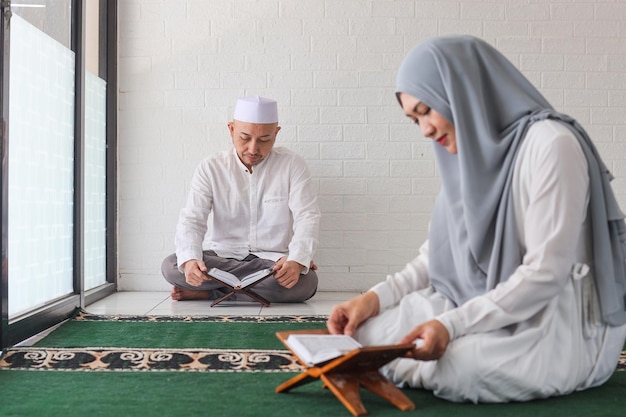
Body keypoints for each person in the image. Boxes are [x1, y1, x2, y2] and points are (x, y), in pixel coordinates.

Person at [327, 35, 626, 403]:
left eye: (426, 111)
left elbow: (545, 273)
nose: (426, 130)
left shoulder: (552, 146)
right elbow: (436, 256)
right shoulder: (467, 155)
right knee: (366, 334)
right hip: (480, 299)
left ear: (462, 91)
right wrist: (373, 299)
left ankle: (421, 362)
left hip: (557, 323)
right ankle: (420, 359)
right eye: (414, 119)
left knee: (460, 367)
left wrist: (451, 325)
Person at [162, 96, 320, 304]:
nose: (253, 149)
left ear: (276, 133)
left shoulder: (292, 165)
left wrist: (297, 261)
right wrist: (191, 261)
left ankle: (214, 292)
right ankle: (247, 290)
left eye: (265, 140)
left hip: (270, 260)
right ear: (231, 129)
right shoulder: (211, 167)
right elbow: (192, 219)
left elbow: (307, 216)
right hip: (222, 256)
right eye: (245, 138)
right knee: (173, 265)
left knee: (305, 282)